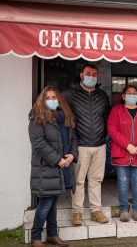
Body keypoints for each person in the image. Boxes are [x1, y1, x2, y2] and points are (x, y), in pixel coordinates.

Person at [28, 86, 78, 247]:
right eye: (48, 97)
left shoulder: (65, 117)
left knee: (53, 202)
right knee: (46, 202)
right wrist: (57, 159)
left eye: (54, 97)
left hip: (62, 166)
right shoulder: (37, 118)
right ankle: (35, 237)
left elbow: (73, 138)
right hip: (46, 167)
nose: (52, 100)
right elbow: (39, 143)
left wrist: (72, 154)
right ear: (42, 100)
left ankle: (52, 234)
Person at [63, 64, 110, 225]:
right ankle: (77, 212)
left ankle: (96, 210)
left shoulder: (102, 95)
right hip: (80, 145)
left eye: (94, 74)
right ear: (81, 75)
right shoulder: (70, 95)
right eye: (88, 74)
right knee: (79, 180)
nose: (92, 77)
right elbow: (64, 118)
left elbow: (105, 117)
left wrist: (104, 136)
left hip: (99, 144)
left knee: (96, 179)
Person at [107, 85, 137, 222]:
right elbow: (112, 130)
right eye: (129, 93)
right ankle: (123, 210)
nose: (132, 95)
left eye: (134, 93)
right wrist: (128, 146)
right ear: (123, 96)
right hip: (122, 153)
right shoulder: (116, 111)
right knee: (122, 183)